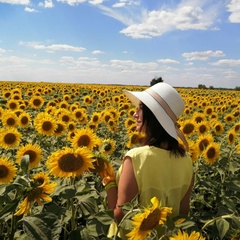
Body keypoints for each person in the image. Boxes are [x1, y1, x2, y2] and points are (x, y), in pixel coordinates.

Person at [99, 82, 194, 238]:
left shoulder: (136, 158)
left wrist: (108, 182)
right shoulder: (187, 161)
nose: (135, 114)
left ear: (152, 115)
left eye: (140, 109)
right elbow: (183, 214)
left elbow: (120, 216)